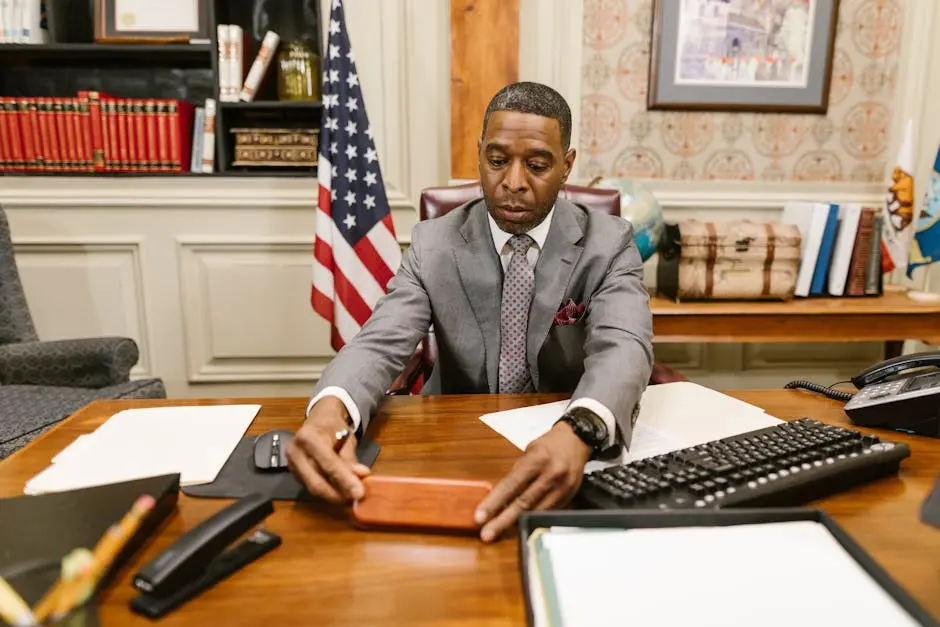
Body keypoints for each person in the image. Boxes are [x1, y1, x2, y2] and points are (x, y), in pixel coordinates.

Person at [287, 81, 653, 542]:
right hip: (457, 446)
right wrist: (330, 412)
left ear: (567, 166)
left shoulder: (609, 242)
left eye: (537, 165)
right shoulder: (433, 243)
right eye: (497, 161)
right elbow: (380, 340)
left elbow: (626, 345)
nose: (514, 182)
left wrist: (581, 429)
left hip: (567, 449)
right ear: (479, 154)